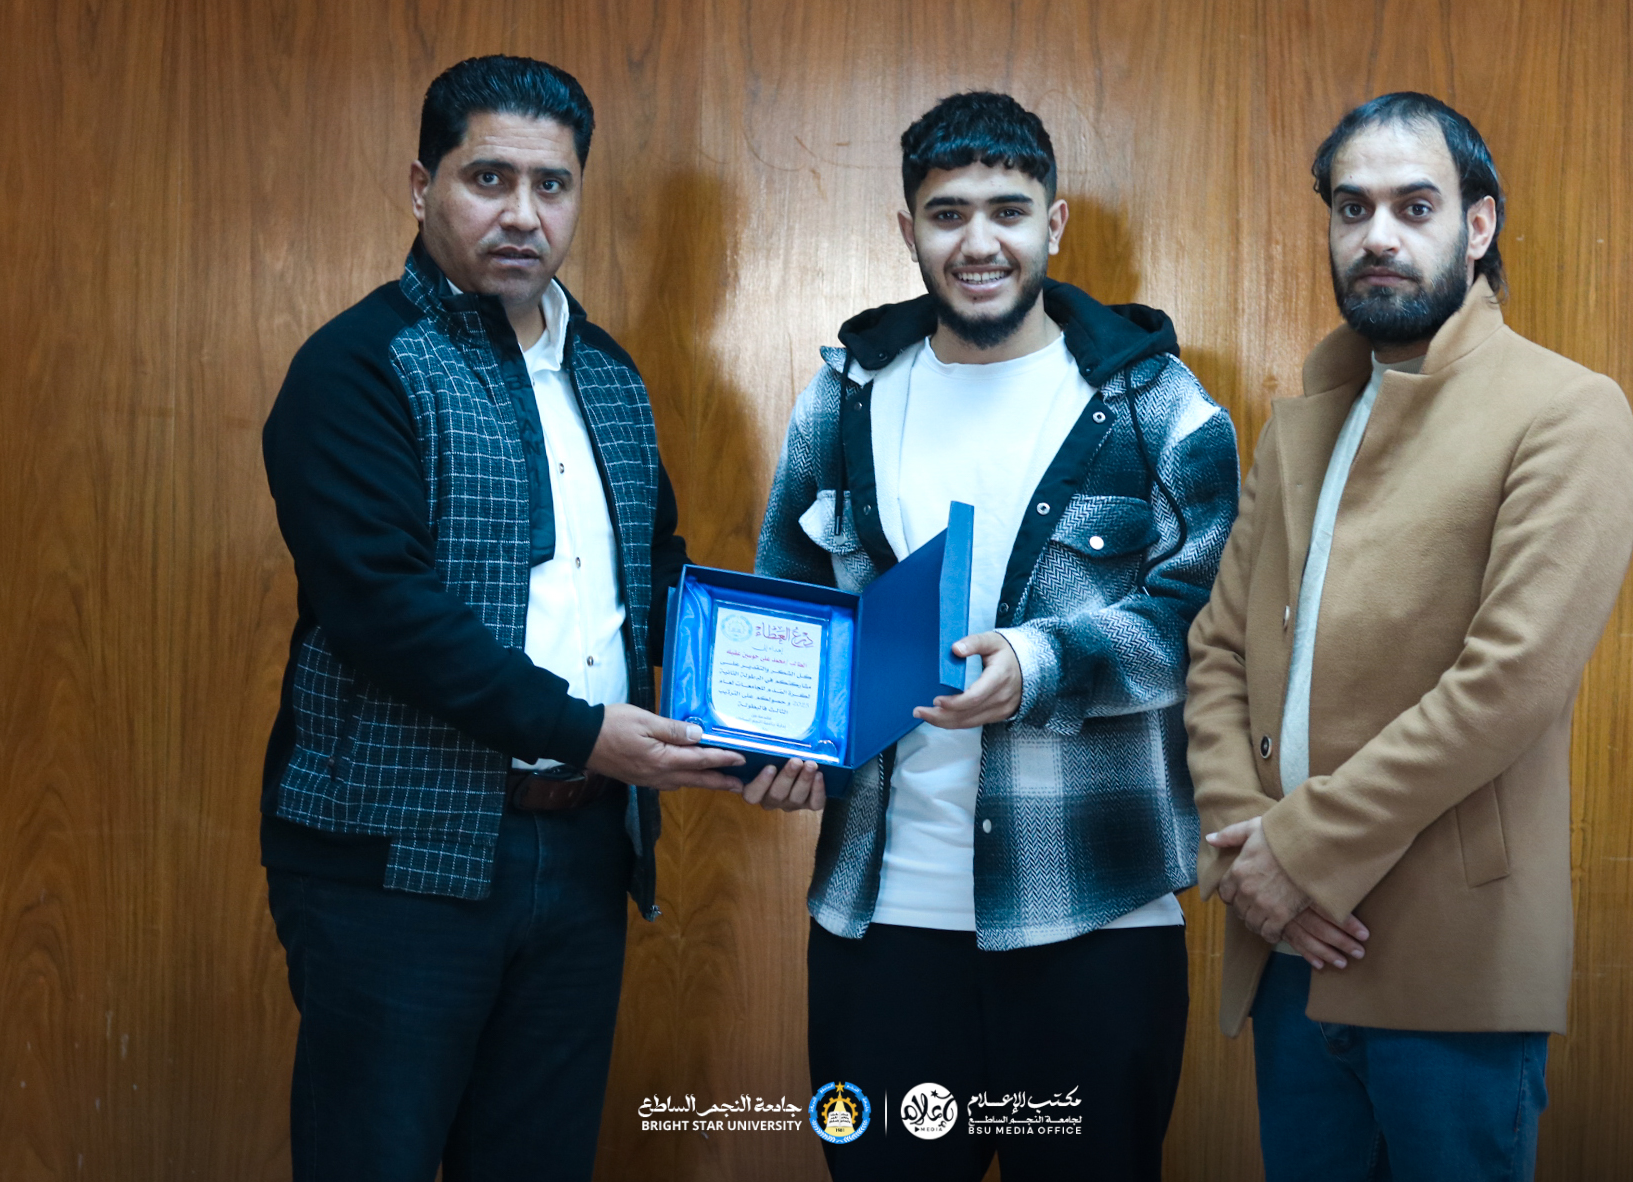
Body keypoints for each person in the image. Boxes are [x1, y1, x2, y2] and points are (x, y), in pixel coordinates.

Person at [258, 55, 743, 1182]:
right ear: (421, 186)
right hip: (394, 867)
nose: (524, 214)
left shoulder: (609, 375)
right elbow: (387, 614)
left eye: (551, 184)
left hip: (581, 854)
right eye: (489, 178)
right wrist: (586, 731)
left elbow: (654, 579)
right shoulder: (358, 368)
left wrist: (763, 729)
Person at [748, 91, 1240, 1181]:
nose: (979, 243)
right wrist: (776, 743)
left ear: (1053, 223)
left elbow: (1200, 622)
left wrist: (1041, 664)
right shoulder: (844, 396)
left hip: (1093, 918)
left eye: (1008, 211)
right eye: (948, 213)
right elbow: (787, 605)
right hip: (880, 924)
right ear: (908, 229)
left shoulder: (1159, 404)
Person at [1185, 92, 1633, 1182]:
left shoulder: (1566, 410)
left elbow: (1508, 684)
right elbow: (1217, 651)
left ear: (1477, 227)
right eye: (1352, 208)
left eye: (1414, 205)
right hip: (1287, 947)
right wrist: (1246, 853)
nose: (1377, 234)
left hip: (1450, 971)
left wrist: (1296, 854)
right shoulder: (1302, 424)